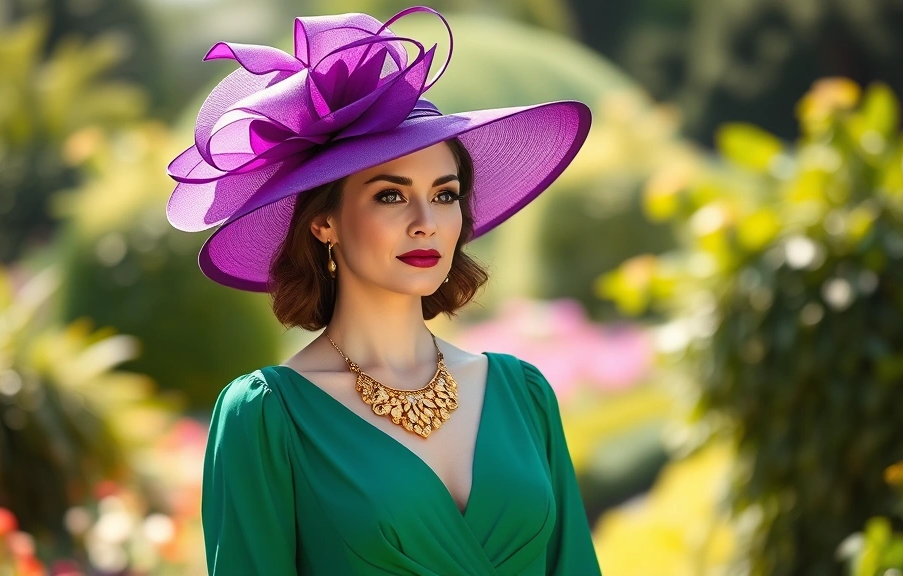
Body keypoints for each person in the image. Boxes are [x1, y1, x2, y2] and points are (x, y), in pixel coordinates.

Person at [165, 6, 599, 575]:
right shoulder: (267, 418)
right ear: (324, 223)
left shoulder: (524, 395)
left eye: (445, 195)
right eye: (391, 196)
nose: (426, 222)